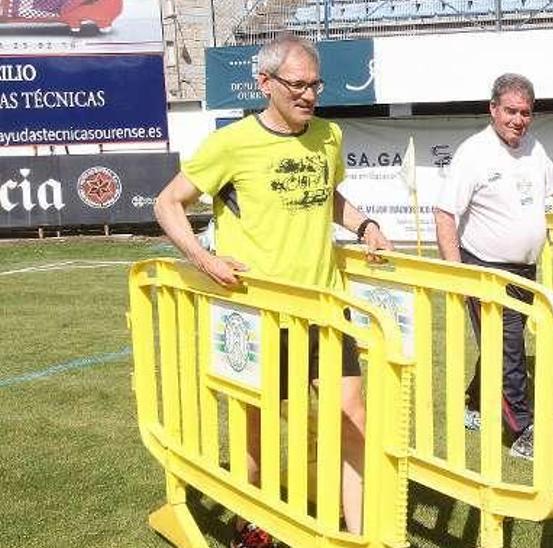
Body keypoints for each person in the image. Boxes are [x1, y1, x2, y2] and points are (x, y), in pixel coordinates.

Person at [153, 34, 392, 547]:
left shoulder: (329, 135)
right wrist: (204, 257)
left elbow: (328, 197)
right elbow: (167, 203)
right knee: (256, 431)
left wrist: (364, 223)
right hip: (258, 315)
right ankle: (250, 525)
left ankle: (363, 534)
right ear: (266, 83)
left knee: (355, 421)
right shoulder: (232, 143)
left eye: (315, 84)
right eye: (297, 85)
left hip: (325, 309)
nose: (309, 95)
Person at [433, 73, 553, 460]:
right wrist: (457, 275)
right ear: (493, 109)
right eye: (511, 111)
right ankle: (523, 429)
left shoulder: (533, 148)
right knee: (509, 350)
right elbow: (444, 214)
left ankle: (474, 405)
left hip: (524, 270)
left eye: (525, 113)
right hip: (485, 269)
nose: (518, 120)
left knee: (503, 345)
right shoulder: (474, 153)